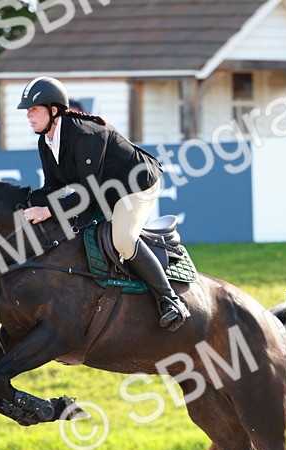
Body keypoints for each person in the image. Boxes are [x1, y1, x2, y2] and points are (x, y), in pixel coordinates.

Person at [19, 76, 190, 330]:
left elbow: (87, 194)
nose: (28, 116)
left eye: (33, 109)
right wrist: (24, 207)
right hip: (105, 190)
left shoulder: (85, 135)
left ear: (53, 110)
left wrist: (48, 210)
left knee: (122, 238)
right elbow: (52, 187)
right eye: (28, 111)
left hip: (136, 184)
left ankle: (171, 302)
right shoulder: (46, 141)